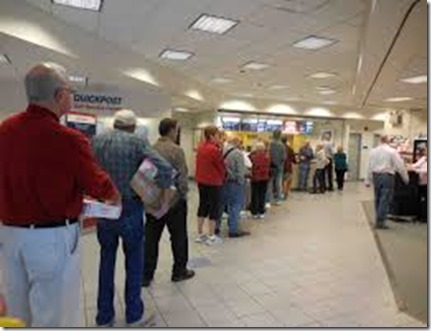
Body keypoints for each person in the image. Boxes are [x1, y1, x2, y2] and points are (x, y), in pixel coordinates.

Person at [0, 62, 120, 327]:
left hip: (9, 237)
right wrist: (112, 196)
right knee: (54, 315)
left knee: (17, 313)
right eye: (70, 91)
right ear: (59, 96)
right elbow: (96, 182)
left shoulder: (4, 130)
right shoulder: (68, 138)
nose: (72, 96)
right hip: (50, 239)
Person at [92, 109, 173, 327]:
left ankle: (104, 316)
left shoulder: (97, 141)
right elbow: (165, 169)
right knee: (134, 261)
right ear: (133, 127)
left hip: (105, 207)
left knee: (106, 260)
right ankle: (134, 315)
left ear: (116, 124)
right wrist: (145, 185)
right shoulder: (137, 142)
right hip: (130, 207)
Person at [142, 118, 195, 288]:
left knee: (151, 238)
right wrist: (183, 195)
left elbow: (145, 176)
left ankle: (146, 274)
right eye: (177, 129)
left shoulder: (149, 148)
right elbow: (182, 177)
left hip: (153, 201)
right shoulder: (176, 150)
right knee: (178, 237)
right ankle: (179, 271)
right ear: (172, 130)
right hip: (174, 202)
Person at [366, 135, 409, 229]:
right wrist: (405, 178)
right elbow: (400, 165)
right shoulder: (392, 151)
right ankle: (380, 222)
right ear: (388, 141)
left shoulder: (373, 151)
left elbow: (370, 165)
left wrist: (367, 180)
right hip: (387, 176)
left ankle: (378, 218)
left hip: (376, 176)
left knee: (378, 198)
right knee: (385, 199)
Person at [195, 126, 225, 245]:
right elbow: (221, 167)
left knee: (202, 205)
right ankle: (211, 235)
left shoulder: (201, 147)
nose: (219, 138)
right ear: (212, 136)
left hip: (201, 181)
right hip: (213, 182)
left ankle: (200, 234)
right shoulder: (214, 150)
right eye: (218, 135)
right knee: (214, 208)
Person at [217, 136, 251, 238]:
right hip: (235, 183)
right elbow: (240, 171)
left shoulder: (223, 151)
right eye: (241, 142)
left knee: (222, 205)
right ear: (237, 143)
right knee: (235, 205)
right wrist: (242, 183)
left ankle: (216, 227)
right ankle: (233, 229)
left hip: (224, 182)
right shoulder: (238, 153)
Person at [249, 142, 271, 219]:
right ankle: (261, 211)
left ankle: (254, 212)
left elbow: (250, 165)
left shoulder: (253, 157)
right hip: (264, 178)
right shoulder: (267, 157)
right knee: (262, 195)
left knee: (255, 195)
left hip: (255, 178)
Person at [268, 130, 286, 205]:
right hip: (279, 167)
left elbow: (268, 155)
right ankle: (278, 199)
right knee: (278, 183)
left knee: (270, 183)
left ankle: (269, 199)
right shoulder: (282, 145)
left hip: (271, 166)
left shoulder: (270, 144)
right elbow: (284, 157)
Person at [410, 146, 427, 222]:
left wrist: (416, 170)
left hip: (426, 183)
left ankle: (425, 217)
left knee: (425, 200)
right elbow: (415, 165)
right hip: (421, 182)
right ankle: (419, 216)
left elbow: (426, 170)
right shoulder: (423, 159)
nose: (424, 152)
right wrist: (409, 166)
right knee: (419, 199)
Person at [281, 135, 296, 199]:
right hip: (288, 166)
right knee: (288, 180)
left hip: (281, 166)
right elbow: (293, 159)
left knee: (282, 181)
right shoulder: (290, 148)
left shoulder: (279, 148)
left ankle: (282, 193)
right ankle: (286, 193)